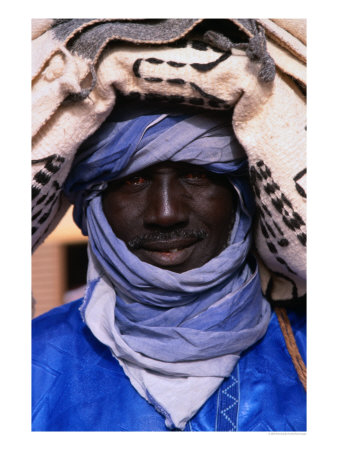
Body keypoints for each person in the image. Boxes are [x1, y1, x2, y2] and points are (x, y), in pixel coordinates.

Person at [32, 102, 306, 431]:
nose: (165, 214)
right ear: (95, 209)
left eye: (195, 175)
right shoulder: (30, 362)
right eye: (134, 181)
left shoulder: (307, 345)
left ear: (240, 199)